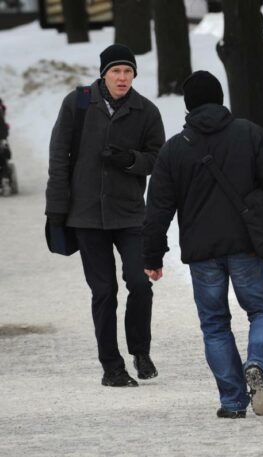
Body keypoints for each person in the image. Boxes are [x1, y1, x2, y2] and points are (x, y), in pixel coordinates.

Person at [142, 71, 263, 419]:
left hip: (202, 252)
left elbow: (157, 209)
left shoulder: (174, 149)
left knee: (214, 325)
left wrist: (152, 255)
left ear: (188, 106)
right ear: (220, 98)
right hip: (246, 245)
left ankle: (233, 401)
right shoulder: (248, 133)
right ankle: (256, 364)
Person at [45, 44, 165, 387]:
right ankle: (112, 367)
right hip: (86, 216)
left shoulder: (146, 111)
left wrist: (129, 160)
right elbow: (59, 156)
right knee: (104, 291)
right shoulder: (79, 102)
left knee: (140, 283)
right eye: (116, 71)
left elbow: (158, 159)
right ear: (103, 74)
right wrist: (56, 208)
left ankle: (140, 351)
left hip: (129, 215)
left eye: (128, 71)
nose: (122, 77)